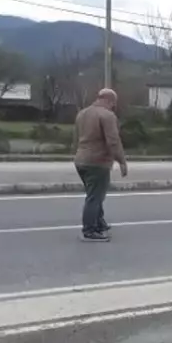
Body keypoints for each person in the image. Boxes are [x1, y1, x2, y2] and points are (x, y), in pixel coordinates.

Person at [73, 89, 127, 242]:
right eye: (113, 104)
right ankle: (89, 230)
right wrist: (121, 161)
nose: (113, 107)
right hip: (97, 161)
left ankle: (99, 223)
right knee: (95, 197)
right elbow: (113, 141)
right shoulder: (107, 115)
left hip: (80, 160)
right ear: (109, 100)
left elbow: (76, 138)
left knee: (94, 194)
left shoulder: (82, 114)